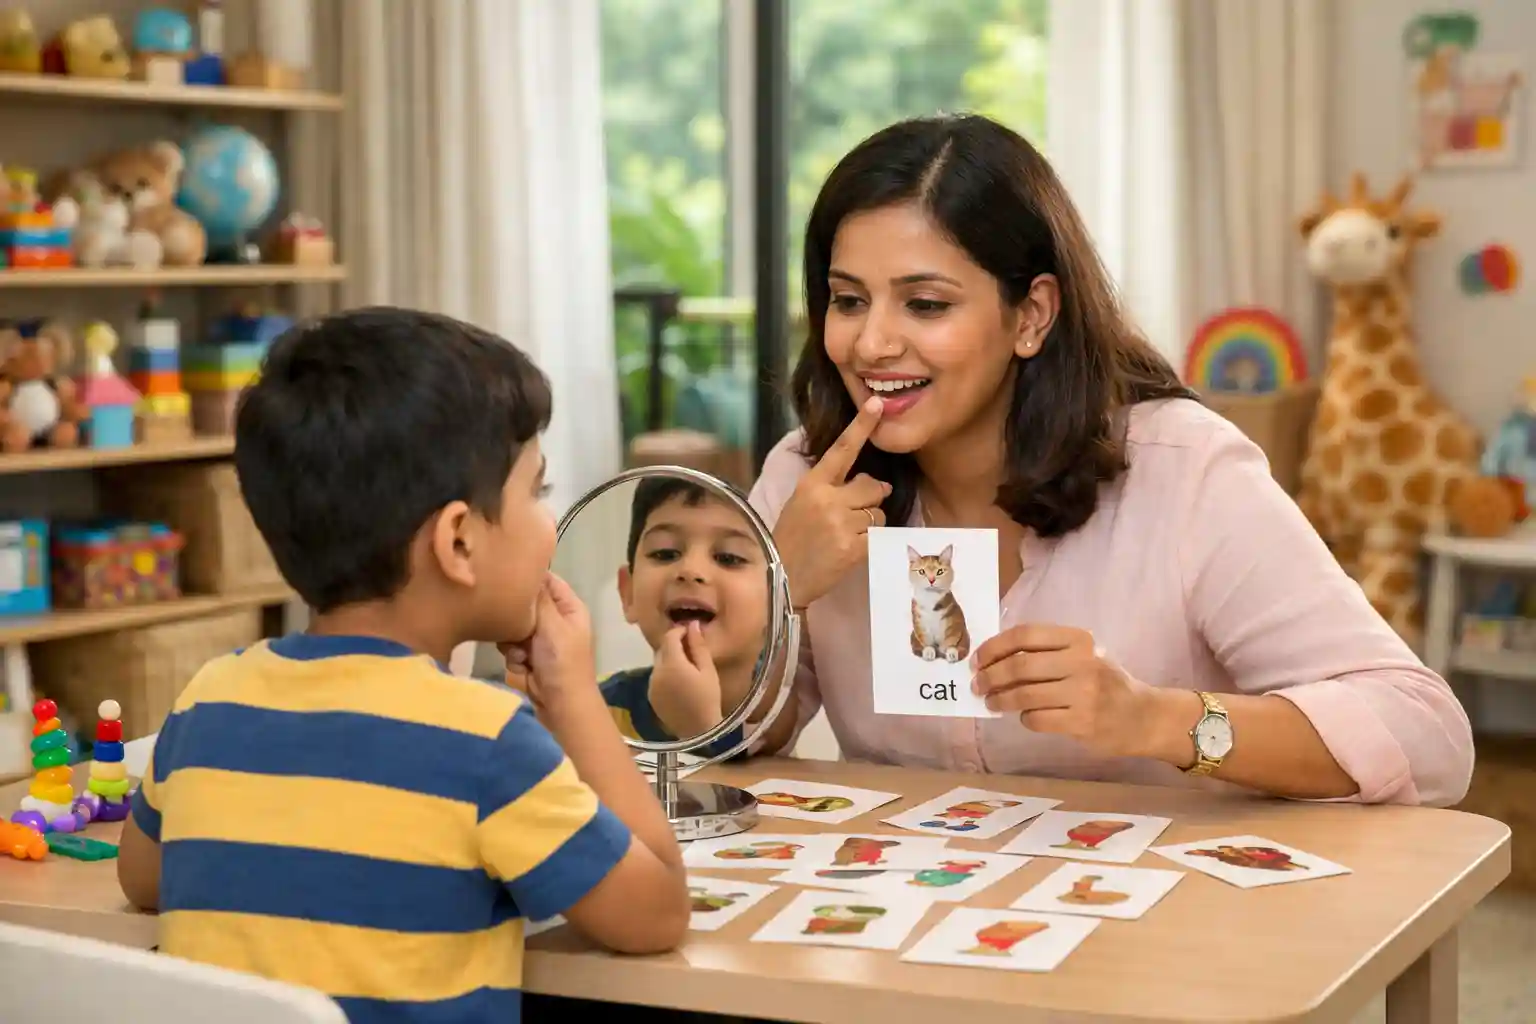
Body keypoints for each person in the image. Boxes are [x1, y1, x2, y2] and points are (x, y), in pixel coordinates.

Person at [748, 114, 1474, 807]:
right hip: (910, 916)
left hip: (1163, 923)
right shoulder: (806, 478)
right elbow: (733, 741)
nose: (871, 343)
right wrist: (773, 594)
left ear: (1031, 315)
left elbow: (1427, 736)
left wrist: (1158, 721)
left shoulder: (1183, 469)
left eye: (926, 305)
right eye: (848, 300)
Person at [116, 307, 691, 1024]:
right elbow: (658, 911)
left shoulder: (210, 699)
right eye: (537, 491)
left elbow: (141, 877)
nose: (548, 519)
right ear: (458, 542)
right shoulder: (486, 741)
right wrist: (571, 694)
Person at [601, 477, 772, 754]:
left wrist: (697, 731)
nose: (691, 570)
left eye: (728, 557)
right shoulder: (590, 709)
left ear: (776, 598)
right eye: (666, 553)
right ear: (627, 593)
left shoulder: (779, 714)